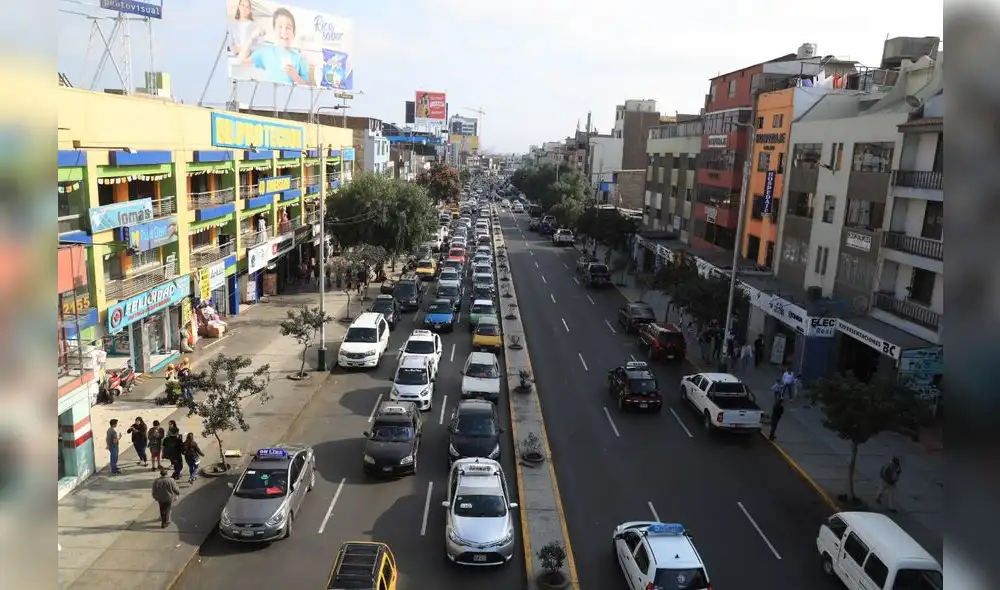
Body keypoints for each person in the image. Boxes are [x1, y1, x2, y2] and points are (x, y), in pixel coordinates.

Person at [237, 8, 311, 86]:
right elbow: (241, 60)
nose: (284, 31)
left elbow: (308, 88)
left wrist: (295, 76)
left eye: (288, 28)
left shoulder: (300, 58)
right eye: (280, 27)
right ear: (274, 30)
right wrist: (252, 37)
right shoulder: (266, 52)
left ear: (293, 33)